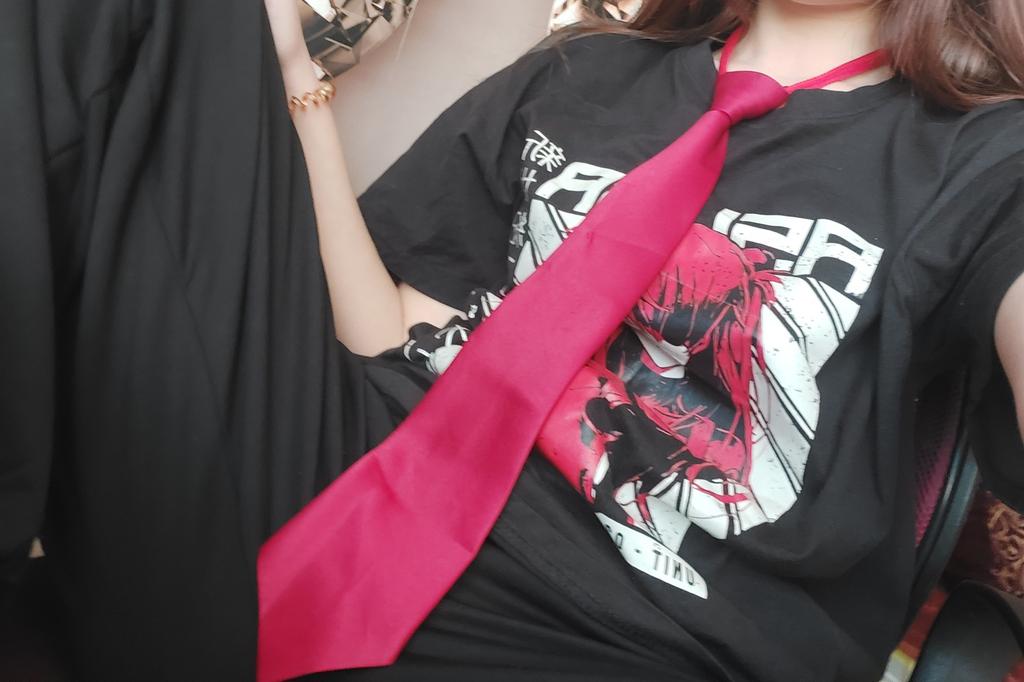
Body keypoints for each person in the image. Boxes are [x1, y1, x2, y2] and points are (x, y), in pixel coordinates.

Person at [1, 0, 1022, 680]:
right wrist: (291, 78)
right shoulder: (587, 70)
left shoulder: (985, 159)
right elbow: (390, 324)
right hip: (351, 461)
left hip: (619, 623)